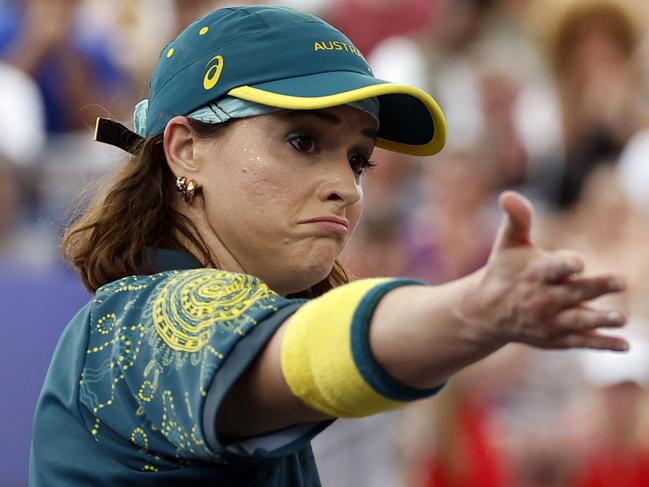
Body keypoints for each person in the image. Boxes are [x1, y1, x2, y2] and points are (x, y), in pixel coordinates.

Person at [29, 5, 628, 486]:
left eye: (359, 160)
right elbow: (306, 356)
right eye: (302, 140)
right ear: (186, 148)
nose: (346, 186)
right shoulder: (136, 320)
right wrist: (472, 311)